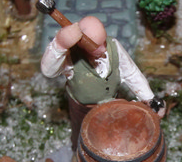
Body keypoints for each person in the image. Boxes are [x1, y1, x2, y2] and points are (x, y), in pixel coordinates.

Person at [40, 15, 162, 149]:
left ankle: (111, 152)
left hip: (113, 103)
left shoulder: (113, 46)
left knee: (114, 130)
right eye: (97, 46)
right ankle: (79, 152)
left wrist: (149, 98)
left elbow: (131, 73)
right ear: (81, 44)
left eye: (104, 42)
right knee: (82, 133)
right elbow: (48, 71)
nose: (104, 49)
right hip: (83, 109)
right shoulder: (71, 57)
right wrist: (59, 45)